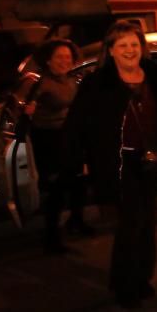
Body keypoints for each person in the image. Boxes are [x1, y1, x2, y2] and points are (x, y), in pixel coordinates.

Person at [63, 20, 157, 309]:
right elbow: (78, 124)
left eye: (134, 44)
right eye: (123, 45)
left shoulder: (154, 74)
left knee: (146, 222)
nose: (130, 50)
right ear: (111, 50)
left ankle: (142, 278)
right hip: (118, 162)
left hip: (151, 159)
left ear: (140, 47)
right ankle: (124, 285)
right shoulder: (99, 82)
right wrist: (78, 159)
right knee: (130, 222)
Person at [23, 39, 93, 253]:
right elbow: (25, 109)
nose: (64, 61)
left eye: (68, 57)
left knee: (79, 182)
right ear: (48, 60)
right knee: (57, 189)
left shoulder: (73, 79)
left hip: (70, 137)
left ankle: (76, 221)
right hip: (49, 140)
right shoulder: (39, 83)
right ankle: (51, 238)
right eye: (59, 57)